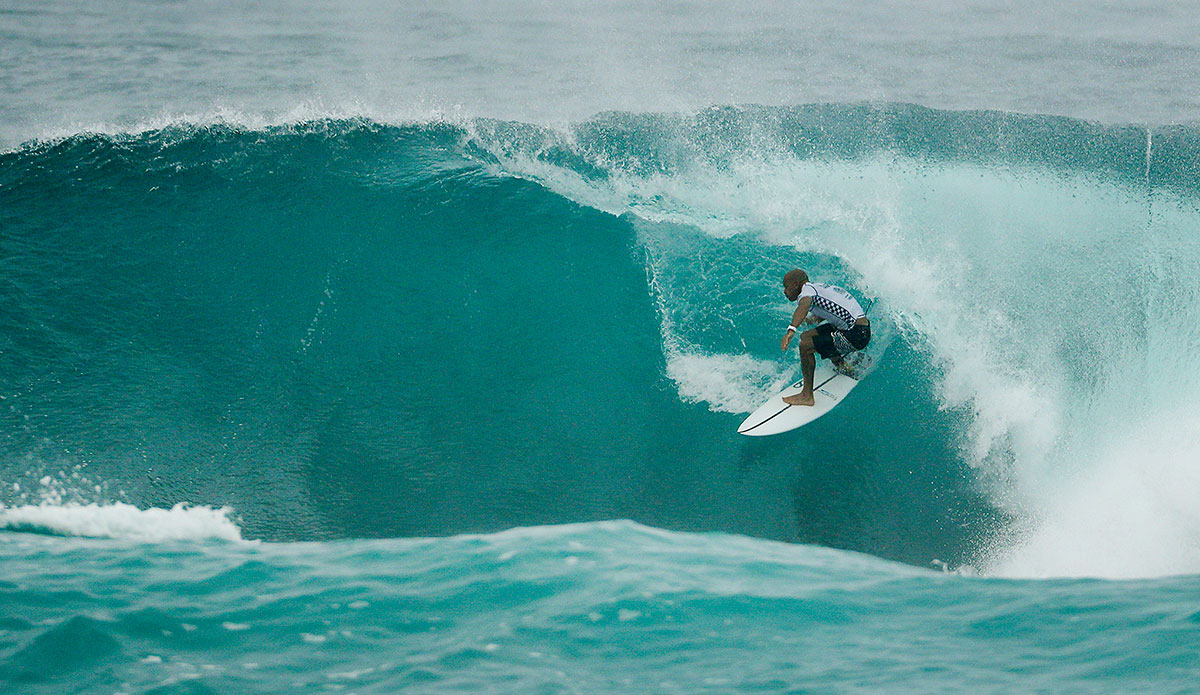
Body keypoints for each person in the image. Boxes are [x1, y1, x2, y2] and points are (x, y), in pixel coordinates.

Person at [778, 269, 871, 406]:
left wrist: (791, 330)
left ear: (797, 284)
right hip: (858, 328)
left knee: (805, 346)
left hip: (856, 335)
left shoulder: (806, 293)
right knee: (806, 336)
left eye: (786, 287)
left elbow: (803, 306)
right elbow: (833, 307)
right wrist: (813, 319)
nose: (785, 292)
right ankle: (842, 365)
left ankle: (806, 396)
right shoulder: (817, 288)